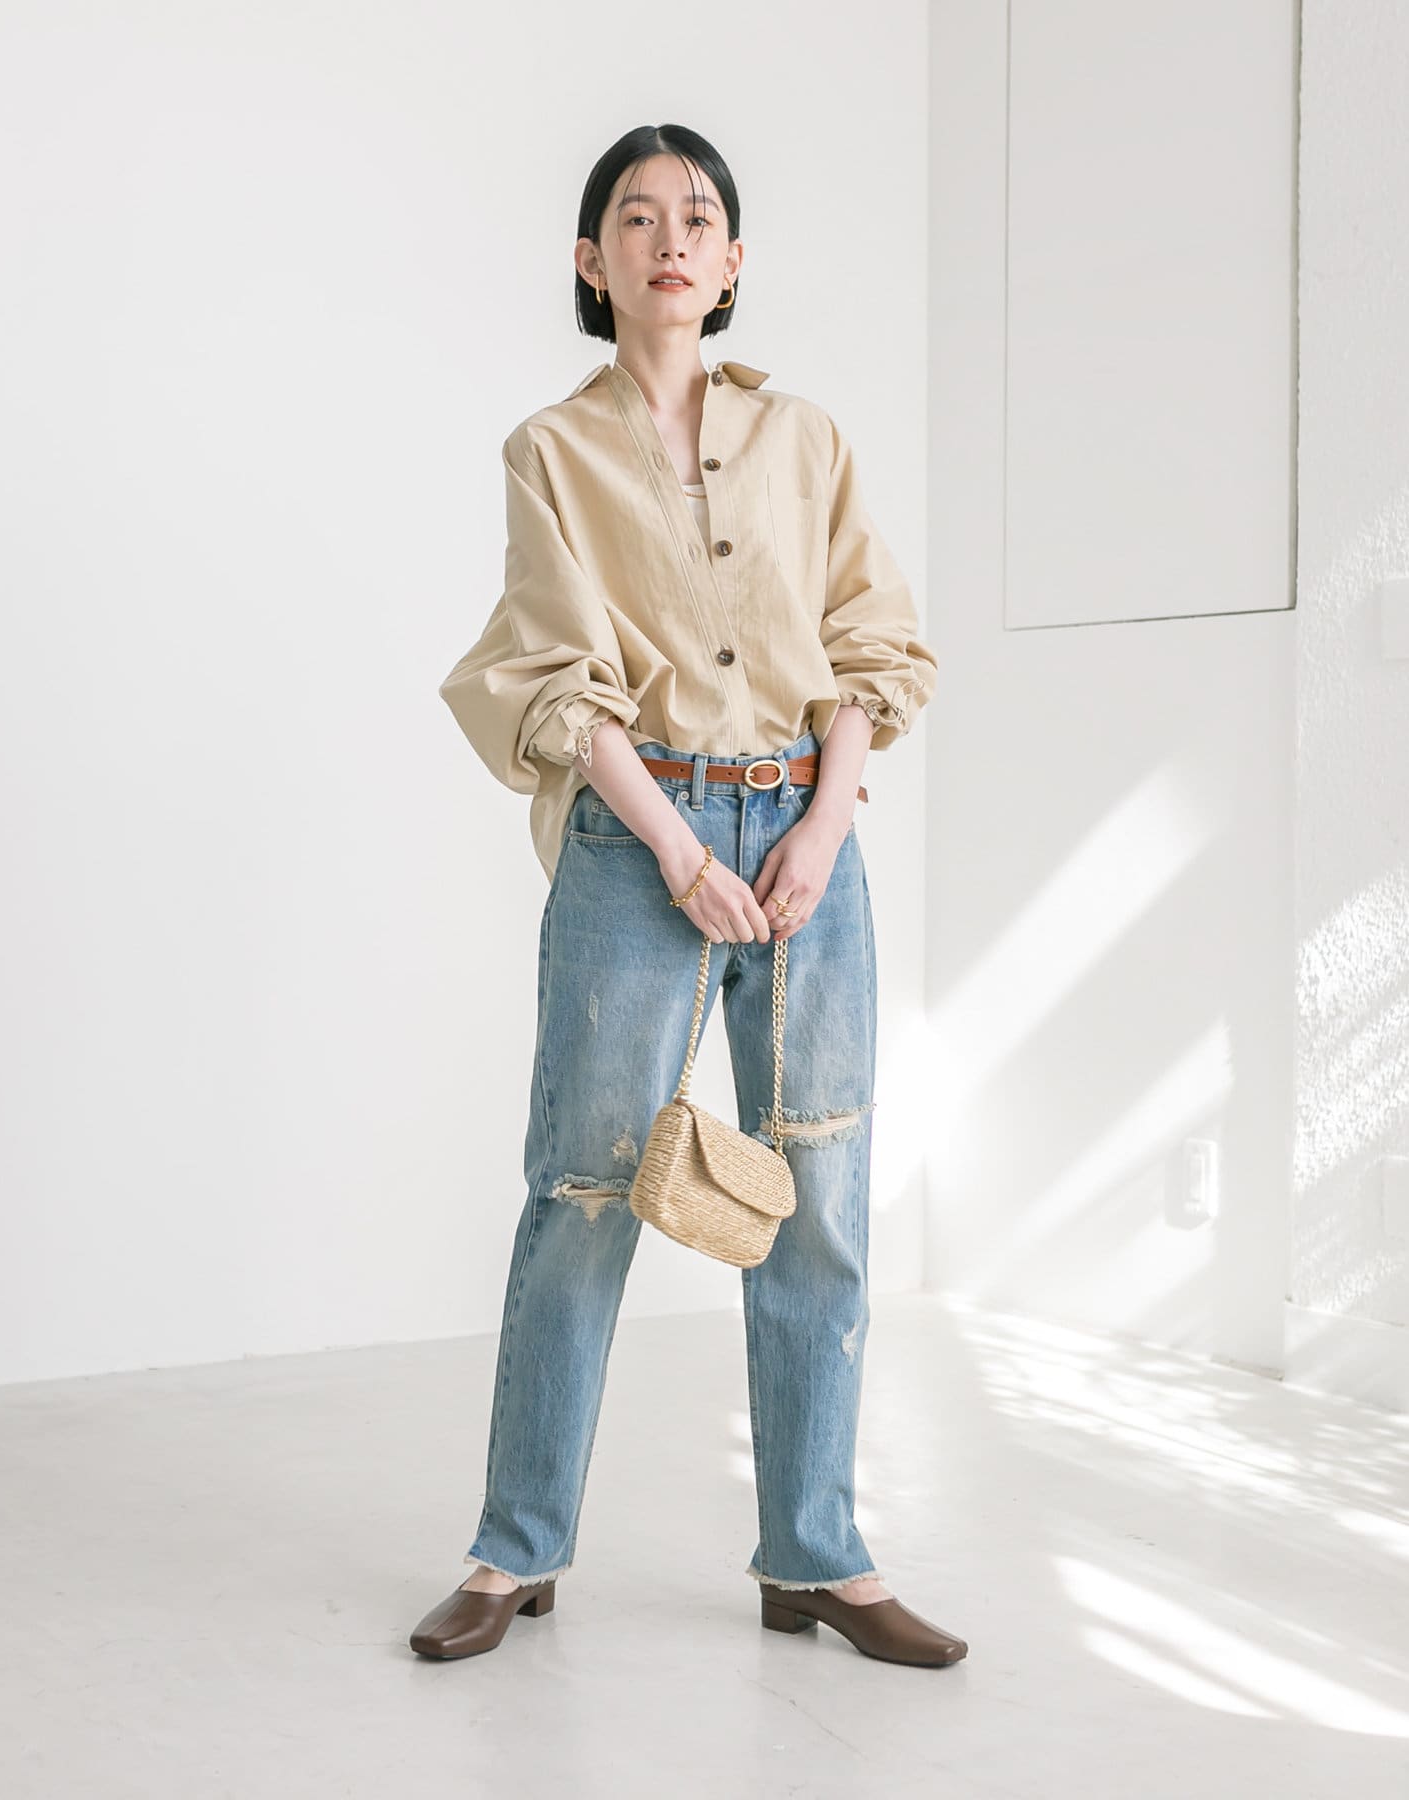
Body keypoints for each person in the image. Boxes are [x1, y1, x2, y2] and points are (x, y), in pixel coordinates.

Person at [414, 123, 967, 1670]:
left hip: (806, 846)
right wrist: (677, 850)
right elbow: (558, 673)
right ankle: (515, 1551)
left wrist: (822, 825)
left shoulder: (807, 439)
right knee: (583, 1196)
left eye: (698, 216)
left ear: (732, 264)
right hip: (633, 841)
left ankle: (819, 1558)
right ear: (590, 262)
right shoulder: (552, 452)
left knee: (820, 1200)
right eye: (637, 217)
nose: (670, 239)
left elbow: (869, 643)